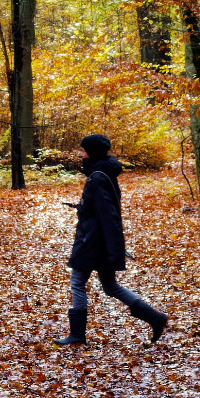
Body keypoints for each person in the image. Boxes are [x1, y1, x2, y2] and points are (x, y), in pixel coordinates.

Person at [54, 134, 168, 346]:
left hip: (92, 242)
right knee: (110, 286)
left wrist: (113, 248)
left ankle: (77, 335)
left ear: (92, 153)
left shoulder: (97, 177)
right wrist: (83, 207)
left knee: (78, 282)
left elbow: (108, 215)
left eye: (84, 151)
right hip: (99, 241)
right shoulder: (103, 173)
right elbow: (102, 209)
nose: (81, 155)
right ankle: (155, 317)